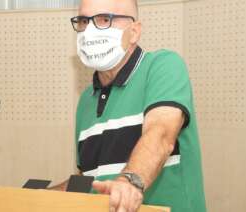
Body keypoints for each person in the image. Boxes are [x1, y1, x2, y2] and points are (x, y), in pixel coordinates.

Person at [50, 0, 206, 211]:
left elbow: (160, 136)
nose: (90, 31)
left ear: (134, 31)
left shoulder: (163, 66)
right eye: (84, 21)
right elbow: (92, 178)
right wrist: (37, 198)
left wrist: (129, 182)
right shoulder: (86, 100)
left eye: (105, 19)